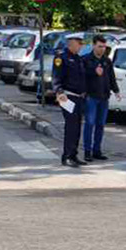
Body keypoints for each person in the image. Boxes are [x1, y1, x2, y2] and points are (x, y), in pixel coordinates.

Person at [52, 33, 88, 168]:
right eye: (79, 43)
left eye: (81, 43)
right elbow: (56, 76)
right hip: (67, 96)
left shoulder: (78, 59)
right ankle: (66, 156)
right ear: (71, 43)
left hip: (78, 97)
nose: (80, 46)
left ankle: (73, 154)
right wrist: (59, 92)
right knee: (71, 127)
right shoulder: (61, 57)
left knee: (77, 127)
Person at [82, 34, 120, 162]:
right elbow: (81, 76)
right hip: (91, 97)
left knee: (100, 125)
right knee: (90, 124)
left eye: (104, 47)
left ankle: (97, 150)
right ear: (93, 46)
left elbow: (111, 77)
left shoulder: (107, 61)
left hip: (104, 96)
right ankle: (87, 151)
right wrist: (93, 71)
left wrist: (116, 91)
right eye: (99, 46)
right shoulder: (86, 60)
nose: (102, 49)